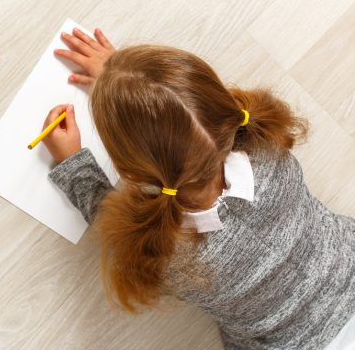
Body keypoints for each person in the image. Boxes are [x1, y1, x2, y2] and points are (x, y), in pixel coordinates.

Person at [40, 28, 355, 349]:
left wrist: (75, 162)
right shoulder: (272, 155)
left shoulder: (168, 256)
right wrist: (124, 80)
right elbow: (199, 116)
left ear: (133, 173)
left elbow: (113, 227)